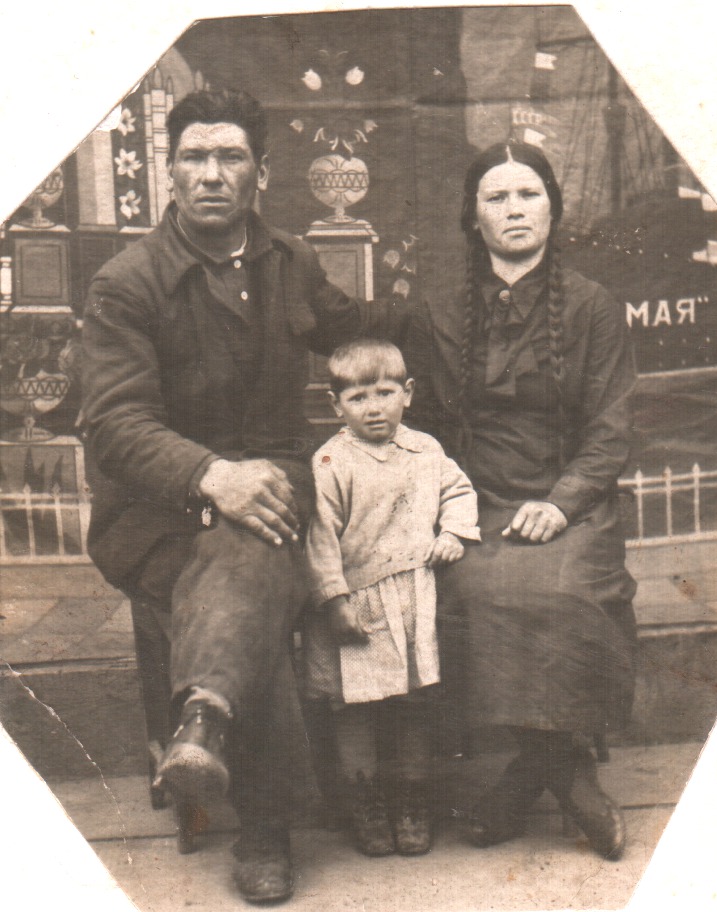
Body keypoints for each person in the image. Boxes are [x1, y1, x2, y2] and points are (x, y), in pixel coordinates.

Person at [81, 89, 406, 904]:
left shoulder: (288, 261)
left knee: (255, 539)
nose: (211, 174)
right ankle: (262, 822)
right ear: (169, 172)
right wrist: (211, 476)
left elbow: (351, 326)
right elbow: (114, 423)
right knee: (253, 561)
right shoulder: (126, 284)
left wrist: (439, 319)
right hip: (158, 518)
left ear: (259, 173)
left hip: (268, 488)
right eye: (194, 157)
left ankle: (205, 722)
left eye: (229, 157)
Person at [405, 141, 637, 860]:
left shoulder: (594, 307)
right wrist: (448, 508)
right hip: (473, 501)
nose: (514, 210)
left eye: (528, 194)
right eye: (496, 197)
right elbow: (421, 427)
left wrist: (562, 503)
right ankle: (565, 773)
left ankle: (523, 781)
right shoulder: (439, 310)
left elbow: (610, 429)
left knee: (560, 590)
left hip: (571, 503)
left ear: (552, 210)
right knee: (467, 590)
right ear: (472, 217)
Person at [301, 338, 480, 858]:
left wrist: (454, 531)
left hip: (411, 597)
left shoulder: (426, 450)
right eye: (357, 398)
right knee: (353, 708)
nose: (373, 408)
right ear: (336, 405)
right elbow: (319, 537)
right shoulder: (330, 460)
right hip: (355, 602)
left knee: (412, 703)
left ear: (408, 393)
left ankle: (411, 800)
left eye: (384, 393)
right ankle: (366, 802)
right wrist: (334, 600)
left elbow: (458, 491)